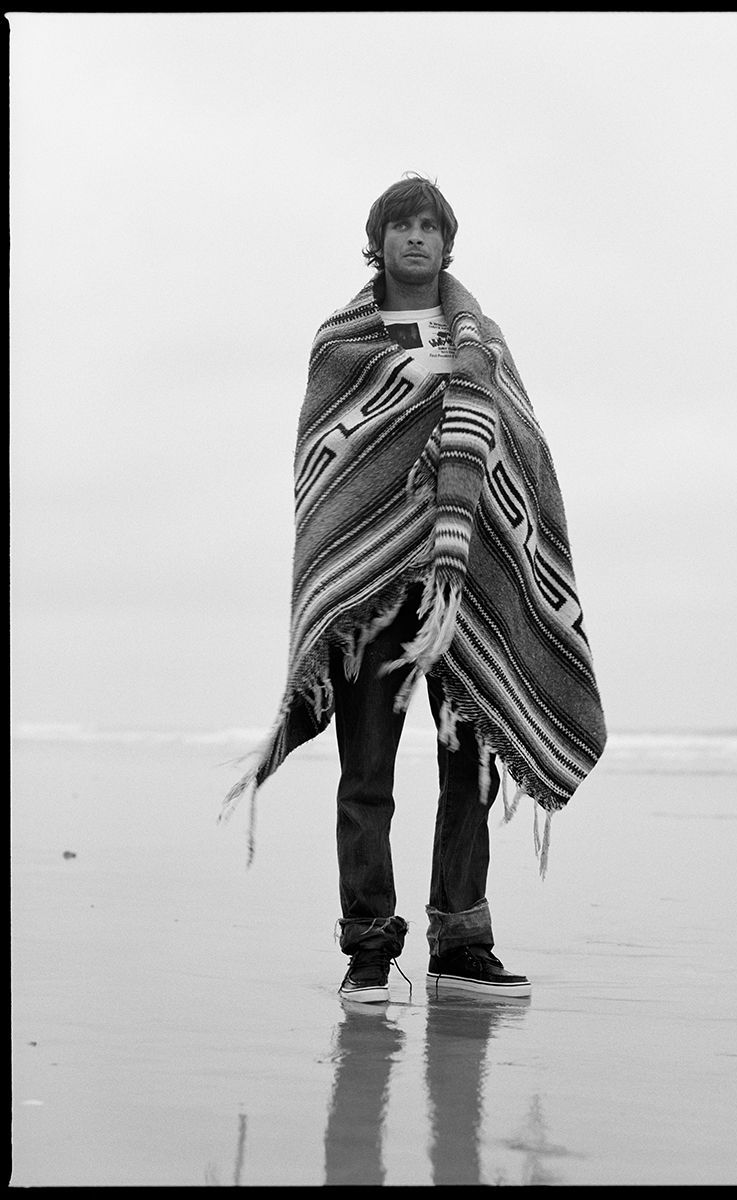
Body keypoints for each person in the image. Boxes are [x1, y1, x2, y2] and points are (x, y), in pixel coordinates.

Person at [223, 174, 606, 1003]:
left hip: (465, 587)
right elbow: (329, 469)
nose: (416, 239)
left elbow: (524, 456)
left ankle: (460, 943)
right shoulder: (340, 343)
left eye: (430, 226)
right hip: (372, 599)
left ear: (447, 240)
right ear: (379, 238)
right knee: (367, 776)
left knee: (469, 770)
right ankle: (367, 949)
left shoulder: (484, 342)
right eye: (402, 226)